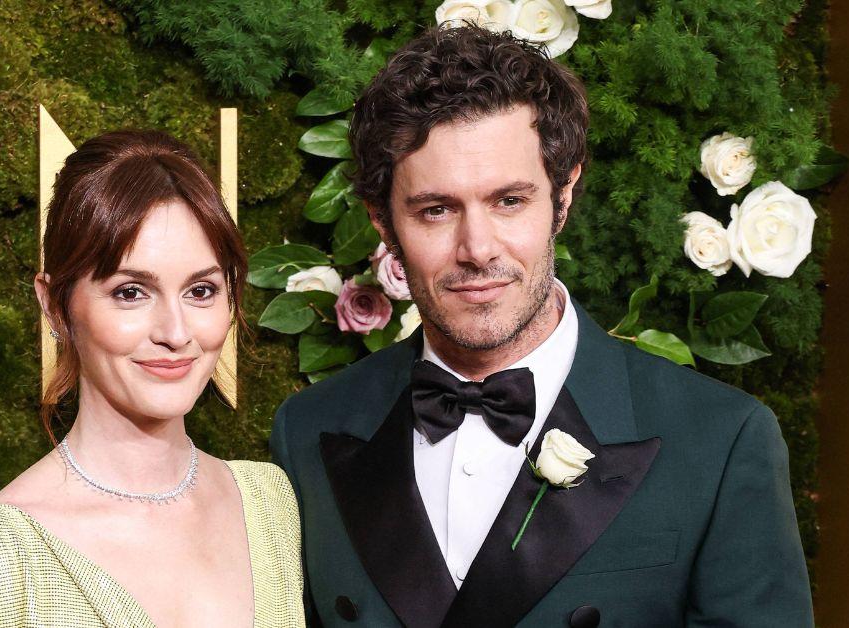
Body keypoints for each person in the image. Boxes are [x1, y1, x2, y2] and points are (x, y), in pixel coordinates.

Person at [270, 25, 813, 628]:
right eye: (435, 210)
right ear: (382, 221)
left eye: (509, 201)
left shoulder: (722, 441)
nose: (476, 249)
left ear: (563, 197)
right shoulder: (308, 430)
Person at [0, 131, 304, 628]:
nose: (175, 333)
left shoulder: (272, 506)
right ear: (55, 306)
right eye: (131, 292)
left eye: (201, 290)